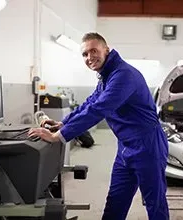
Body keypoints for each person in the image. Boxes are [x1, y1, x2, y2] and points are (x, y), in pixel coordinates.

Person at [28, 32, 169, 220]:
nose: (89, 57)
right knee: (116, 200)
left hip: (148, 145)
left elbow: (99, 109)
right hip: (125, 147)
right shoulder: (106, 76)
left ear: (106, 50)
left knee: (155, 202)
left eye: (94, 51)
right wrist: (63, 122)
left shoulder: (123, 75)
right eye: (85, 54)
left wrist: (58, 136)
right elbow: (91, 103)